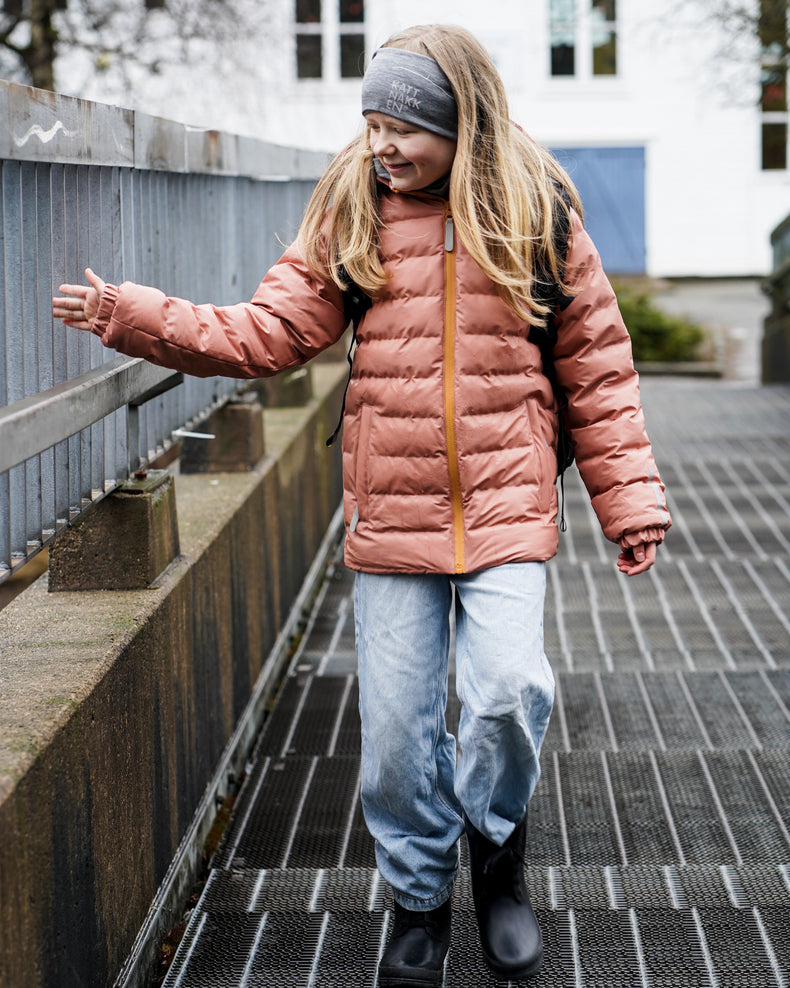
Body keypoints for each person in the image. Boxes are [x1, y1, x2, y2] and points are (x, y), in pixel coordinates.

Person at [54, 23, 671, 986]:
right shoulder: (354, 208)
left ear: (461, 121)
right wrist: (137, 316)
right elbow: (266, 332)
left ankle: (498, 862)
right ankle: (417, 902)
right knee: (392, 741)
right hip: (393, 512)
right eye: (372, 122)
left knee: (509, 695)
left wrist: (627, 501)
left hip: (508, 503)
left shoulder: (534, 208)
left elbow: (597, 365)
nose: (384, 144)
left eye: (404, 127)